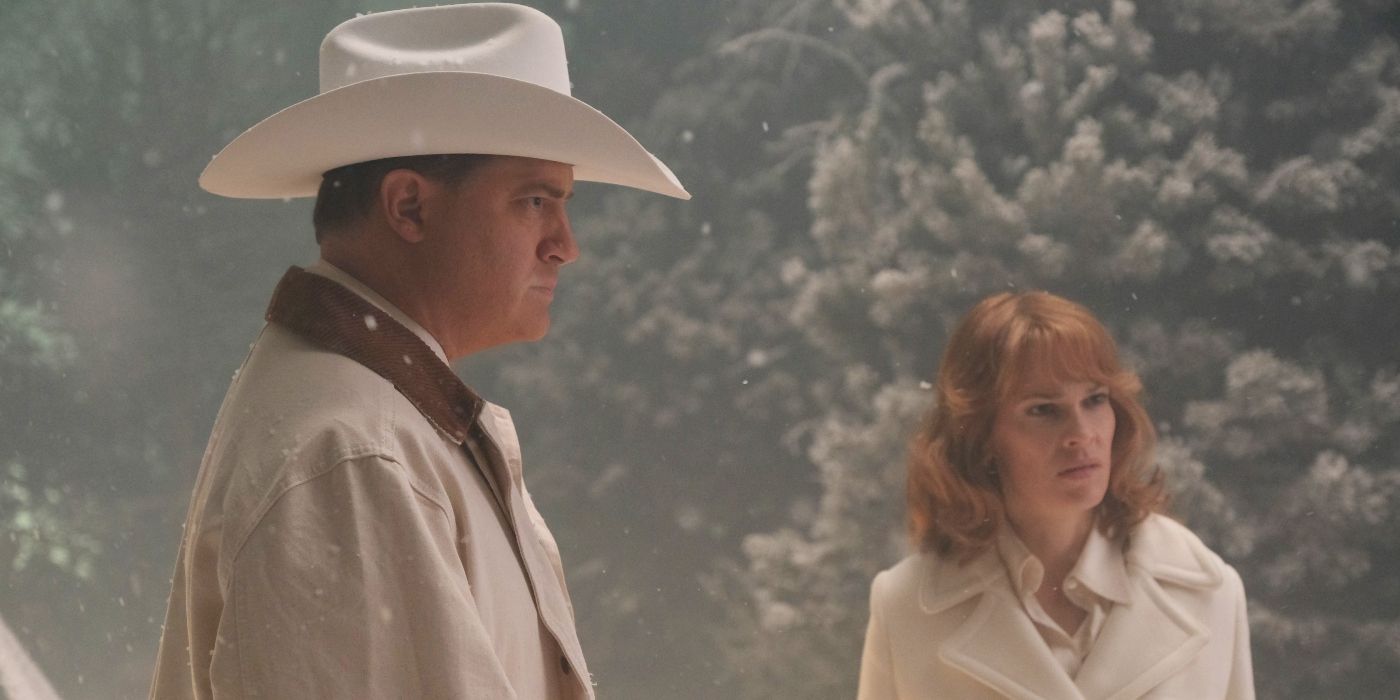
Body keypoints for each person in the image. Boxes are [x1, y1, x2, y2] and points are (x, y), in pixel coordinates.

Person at [149, 5, 688, 699]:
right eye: (533, 201)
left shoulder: (374, 427)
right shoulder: (354, 455)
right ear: (409, 207)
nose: (565, 244)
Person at [857, 292, 1254, 700]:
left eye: (1095, 400)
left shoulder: (1212, 593)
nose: (1082, 434)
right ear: (981, 434)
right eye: (1044, 410)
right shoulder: (906, 609)